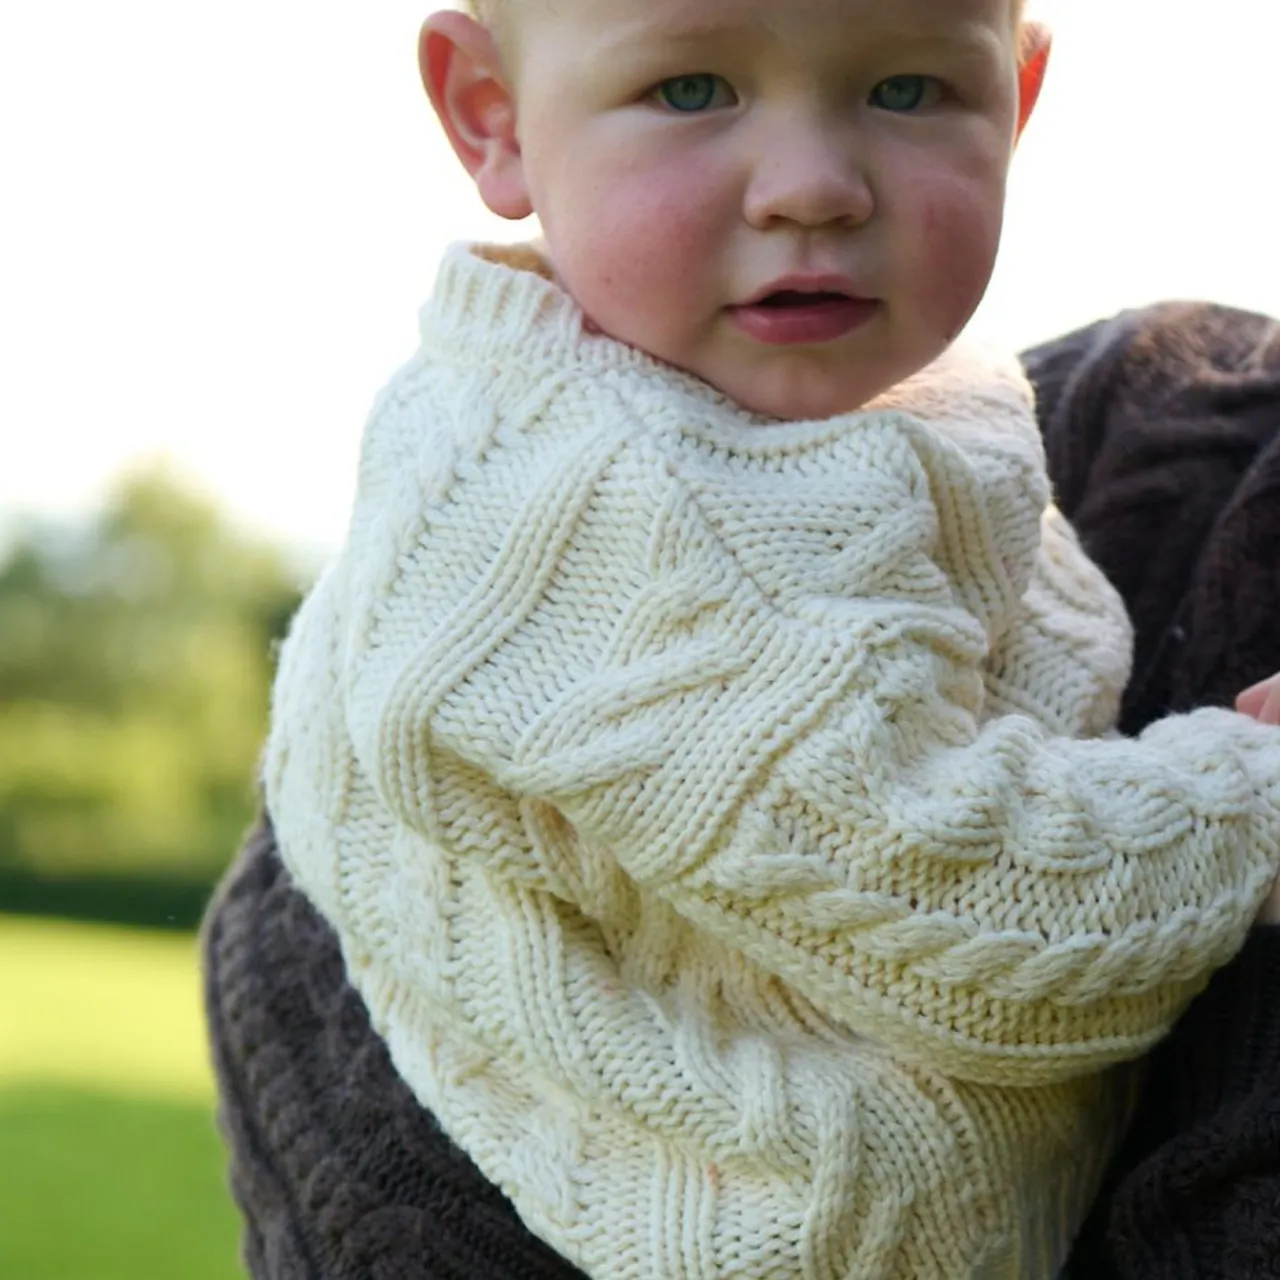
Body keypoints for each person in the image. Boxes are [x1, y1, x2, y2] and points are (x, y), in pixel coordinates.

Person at [208, 0, 1280, 1276]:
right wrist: (1244, 800)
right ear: (490, 114)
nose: (813, 187)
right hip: (787, 1223)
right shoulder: (597, 506)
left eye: (905, 92)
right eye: (689, 88)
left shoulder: (885, 404)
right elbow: (966, 916)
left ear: (1017, 101)